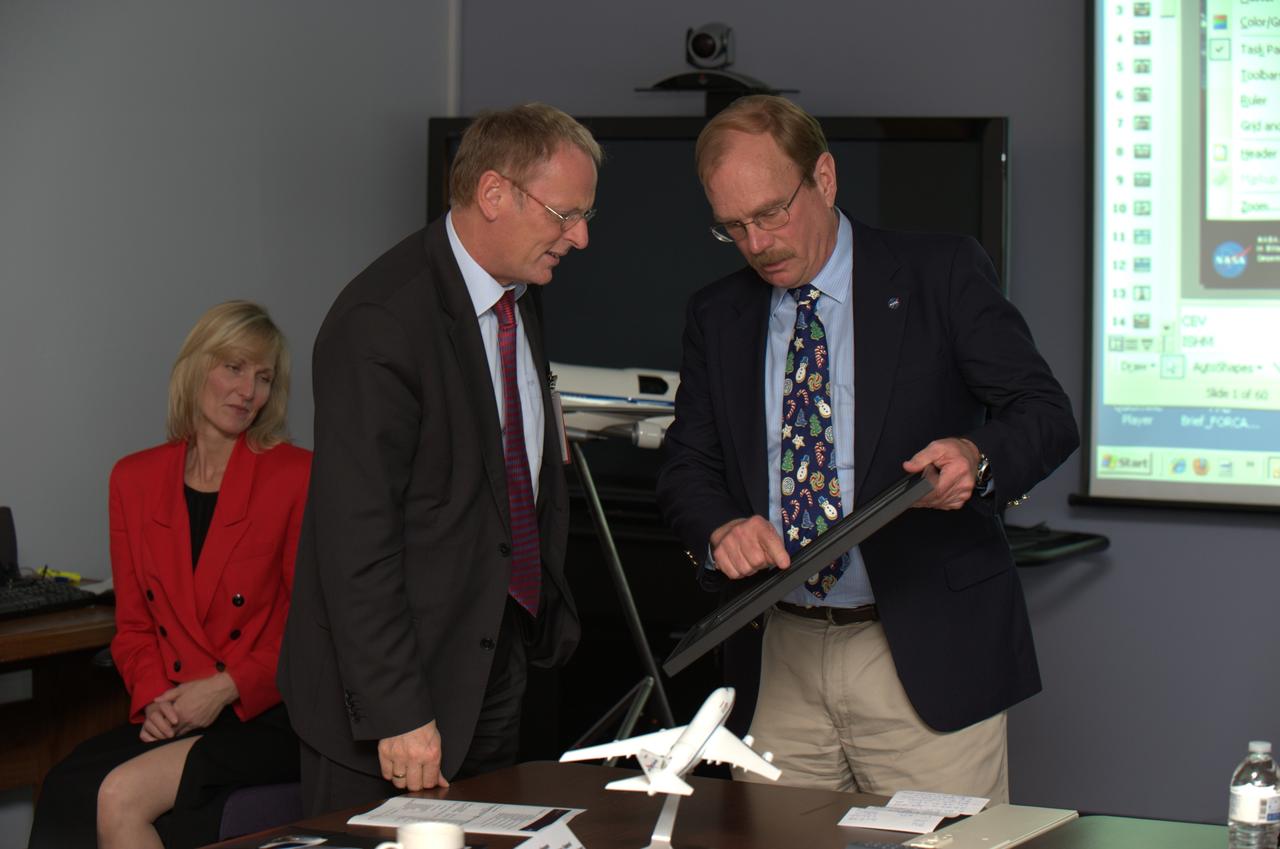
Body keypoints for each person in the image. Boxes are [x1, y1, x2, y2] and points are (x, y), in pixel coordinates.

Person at [655, 95, 1079, 801]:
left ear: (823, 178)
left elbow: (1045, 413)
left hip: (922, 644)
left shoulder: (938, 273)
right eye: (733, 228)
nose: (757, 243)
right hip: (781, 651)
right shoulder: (718, 313)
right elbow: (687, 462)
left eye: (770, 214)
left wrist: (976, 458)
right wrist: (720, 525)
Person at [277, 102, 600, 814]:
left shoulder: (519, 294)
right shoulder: (381, 323)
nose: (579, 237)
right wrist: (396, 710)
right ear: (493, 194)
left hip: (492, 661)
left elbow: (505, 470)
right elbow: (354, 539)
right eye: (565, 214)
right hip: (394, 702)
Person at [29, 301, 311, 849]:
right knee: (65, 788)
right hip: (177, 710)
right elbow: (133, 628)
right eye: (233, 367)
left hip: (265, 712)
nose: (247, 391)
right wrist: (160, 700)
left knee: (119, 796)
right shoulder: (132, 480)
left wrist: (224, 688)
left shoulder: (296, 474)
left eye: (262, 377)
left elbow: (309, 629)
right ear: (196, 368)